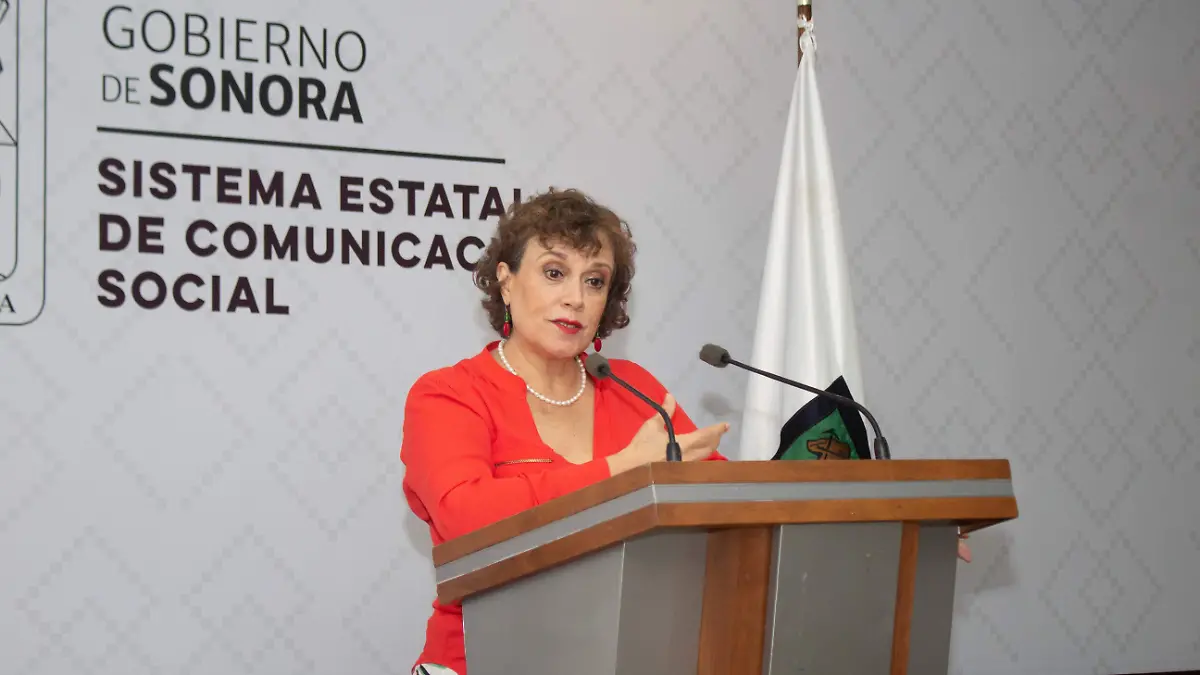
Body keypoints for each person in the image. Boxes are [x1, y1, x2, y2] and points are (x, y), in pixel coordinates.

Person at [399, 188, 732, 675]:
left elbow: (719, 513)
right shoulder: (449, 394)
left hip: (622, 656)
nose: (576, 298)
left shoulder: (634, 390)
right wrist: (622, 470)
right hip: (483, 659)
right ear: (506, 281)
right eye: (554, 273)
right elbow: (467, 519)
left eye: (594, 281)